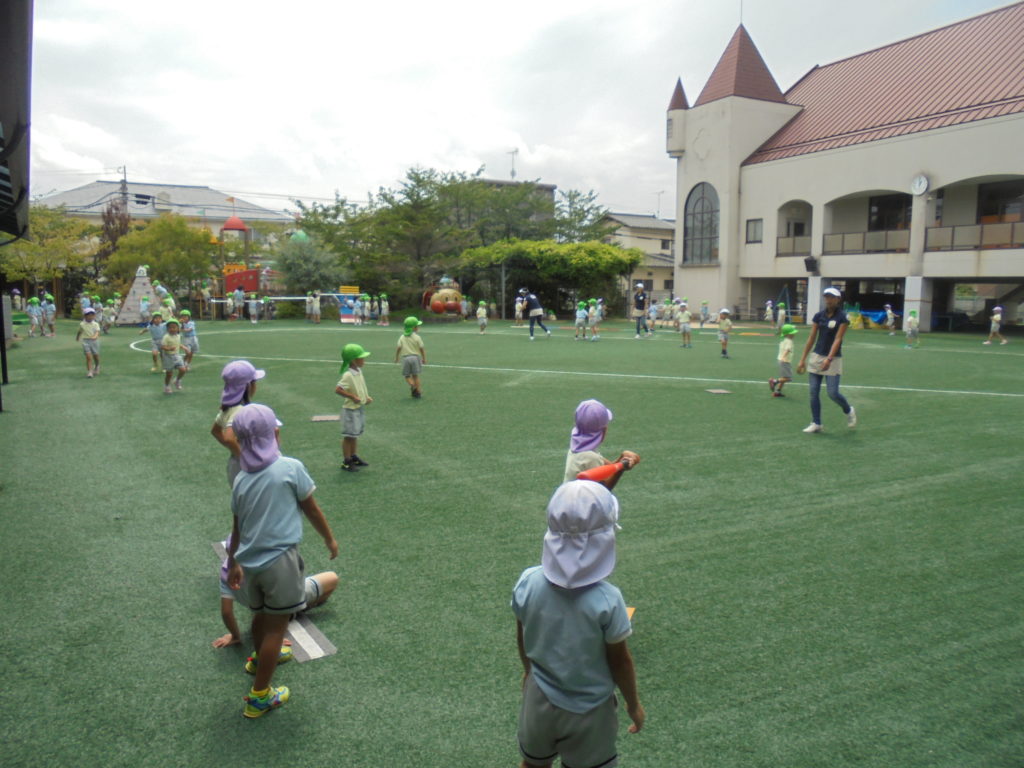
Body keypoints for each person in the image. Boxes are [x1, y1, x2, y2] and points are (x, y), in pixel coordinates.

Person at [512, 481, 645, 768]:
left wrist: (528, 672)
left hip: (538, 696)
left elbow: (522, 633)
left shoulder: (528, 582)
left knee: (533, 763)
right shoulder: (609, 600)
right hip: (591, 710)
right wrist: (633, 704)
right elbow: (620, 661)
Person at [226, 403, 339, 718]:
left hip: (249, 564)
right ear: (273, 434)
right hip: (281, 563)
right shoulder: (290, 468)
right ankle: (260, 695)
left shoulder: (241, 479)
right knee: (277, 628)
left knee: (260, 617)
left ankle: (256, 659)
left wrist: (234, 562)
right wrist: (329, 538)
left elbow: (237, 526)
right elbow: (312, 509)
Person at [213, 534, 338, 649]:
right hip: (277, 609)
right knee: (332, 578)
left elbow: (226, 612)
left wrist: (235, 636)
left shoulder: (226, 572)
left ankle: (291, 612)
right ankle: (294, 611)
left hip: (258, 609)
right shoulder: (263, 569)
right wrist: (275, 636)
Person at [796, 286, 856, 433]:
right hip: (816, 356)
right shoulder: (819, 316)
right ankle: (816, 423)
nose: (828, 300)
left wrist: (829, 359)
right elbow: (811, 338)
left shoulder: (842, 317)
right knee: (813, 392)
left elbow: (838, 338)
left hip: (833, 358)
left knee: (832, 393)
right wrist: (802, 359)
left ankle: (848, 410)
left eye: (831, 297)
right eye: (826, 297)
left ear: (837, 299)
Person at [212, 360, 267, 487]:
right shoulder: (240, 410)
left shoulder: (228, 407)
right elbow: (229, 438)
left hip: (235, 466)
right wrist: (245, 458)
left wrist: (236, 454)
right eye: (254, 382)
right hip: (247, 469)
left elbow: (215, 431)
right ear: (248, 386)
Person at [562, 399, 640, 484]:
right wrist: (620, 469)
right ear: (603, 431)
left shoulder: (578, 448)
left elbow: (608, 468)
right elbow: (602, 490)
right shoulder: (591, 458)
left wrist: (621, 460)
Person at [335, 343, 373, 472]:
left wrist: (366, 396)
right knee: (349, 435)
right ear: (353, 360)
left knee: (355, 434)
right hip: (350, 409)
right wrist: (352, 396)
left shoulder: (358, 372)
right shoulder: (348, 375)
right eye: (361, 358)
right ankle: (346, 461)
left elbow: (361, 386)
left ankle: (353, 456)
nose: (363, 360)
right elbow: (338, 389)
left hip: (358, 407)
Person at [395, 316, 426, 397]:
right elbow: (421, 348)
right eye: (417, 326)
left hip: (405, 358)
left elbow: (398, 347)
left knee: (407, 375)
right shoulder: (417, 337)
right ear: (414, 328)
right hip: (416, 358)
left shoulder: (402, 337)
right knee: (415, 375)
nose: (418, 327)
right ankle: (418, 390)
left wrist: (397, 357)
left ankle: (412, 385)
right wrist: (424, 358)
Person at [160, 317, 189, 393]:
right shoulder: (166, 337)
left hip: (177, 355)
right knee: (169, 374)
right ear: (167, 329)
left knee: (183, 370)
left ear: (178, 328)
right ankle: (167, 386)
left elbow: (178, 344)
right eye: (170, 327)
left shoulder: (178, 336)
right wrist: (169, 349)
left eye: (174, 327)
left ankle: (177, 380)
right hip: (168, 357)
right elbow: (163, 346)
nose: (172, 329)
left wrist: (184, 347)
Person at [769, 324, 799, 397]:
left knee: (784, 377)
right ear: (789, 334)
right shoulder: (789, 341)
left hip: (781, 360)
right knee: (788, 378)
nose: (794, 334)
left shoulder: (783, 339)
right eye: (793, 333)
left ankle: (777, 392)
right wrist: (784, 357)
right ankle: (774, 381)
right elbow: (787, 349)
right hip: (785, 361)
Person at [75, 306, 101, 378]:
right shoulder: (82, 324)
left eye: (92, 315)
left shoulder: (95, 324)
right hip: (85, 341)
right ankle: (90, 371)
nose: (90, 317)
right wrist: (77, 337)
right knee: (88, 357)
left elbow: (97, 332)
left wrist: (95, 336)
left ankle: (97, 365)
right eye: (88, 315)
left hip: (94, 341)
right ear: (85, 316)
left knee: (95, 355)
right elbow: (80, 331)